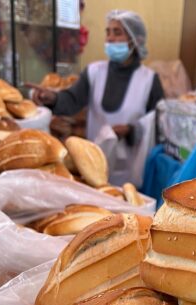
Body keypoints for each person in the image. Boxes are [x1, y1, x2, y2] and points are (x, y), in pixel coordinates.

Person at [33, 10, 164, 184]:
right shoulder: (94, 71)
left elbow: (158, 126)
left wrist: (131, 130)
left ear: (136, 39)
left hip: (131, 171)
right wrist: (53, 98)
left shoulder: (149, 79)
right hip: (94, 164)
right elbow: (73, 99)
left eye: (117, 32)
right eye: (108, 32)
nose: (109, 38)